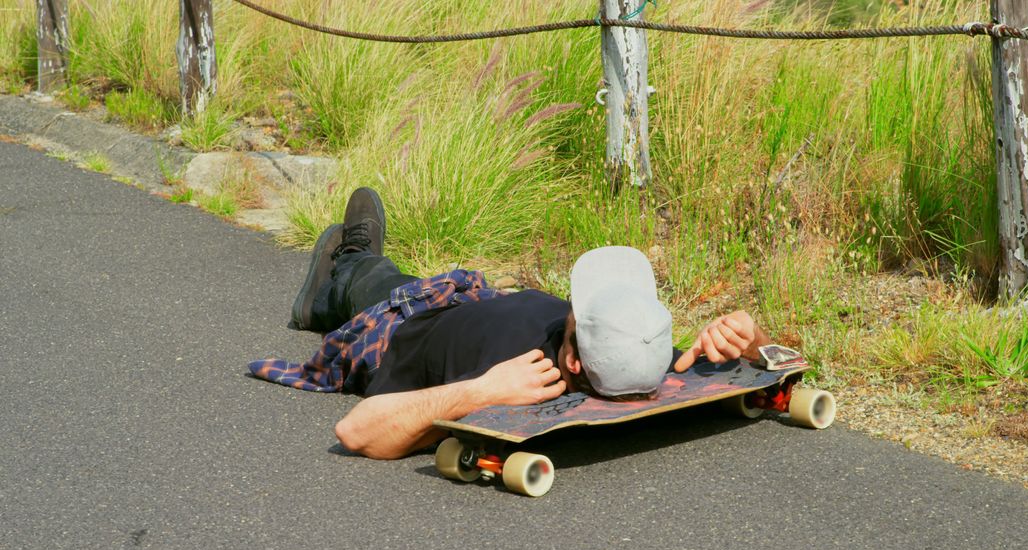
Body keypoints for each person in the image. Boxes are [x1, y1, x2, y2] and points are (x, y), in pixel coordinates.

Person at [249, 188, 772, 459]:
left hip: (403, 327)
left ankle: (338, 274)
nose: (574, 305)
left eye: (577, 312)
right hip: (480, 299)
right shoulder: (632, 354)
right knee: (414, 279)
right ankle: (352, 269)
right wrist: (750, 341)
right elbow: (771, 366)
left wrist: (479, 391)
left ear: (572, 359)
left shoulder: (502, 379)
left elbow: (356, 431)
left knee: (373, 281)